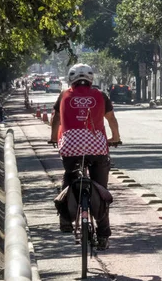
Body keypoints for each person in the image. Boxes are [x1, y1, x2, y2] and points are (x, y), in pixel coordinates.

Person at [50, 63, 121, 250]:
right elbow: (111, 119)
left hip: (70, 148)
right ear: (91, 79)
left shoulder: (64, 95)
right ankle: (104, 234)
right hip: (97, 148)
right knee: (100, 189)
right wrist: (116, 138)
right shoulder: (100, 95)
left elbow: (56, 120)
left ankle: (65, 219)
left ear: (70, 78)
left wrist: (52, 138)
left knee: (70, 176)